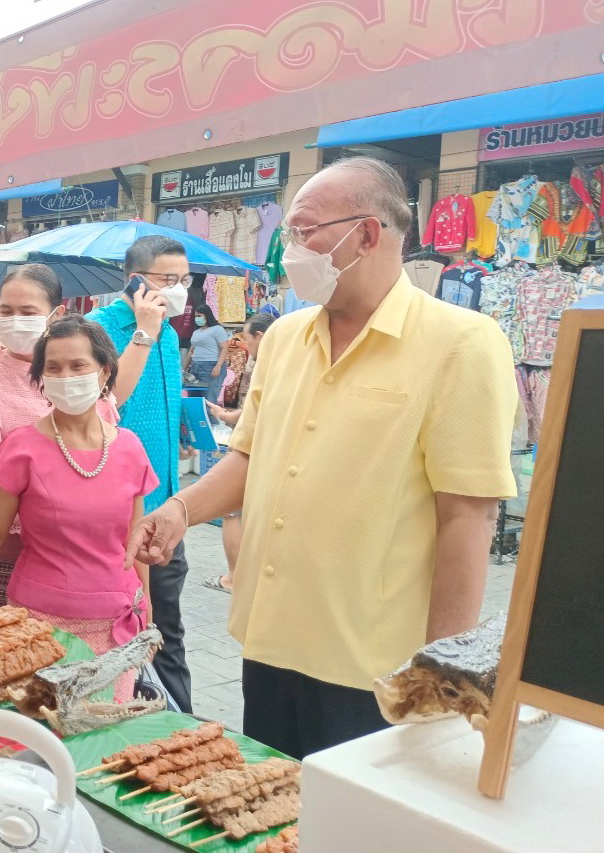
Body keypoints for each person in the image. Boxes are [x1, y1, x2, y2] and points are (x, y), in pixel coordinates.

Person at [128, 157, 518, 758]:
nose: (291, 248)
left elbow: (468, 516)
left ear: (367, 234)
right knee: (274, 817)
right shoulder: (285, 336)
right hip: (270, 642)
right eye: (287, 231)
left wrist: (445, 673)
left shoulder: (461, 343)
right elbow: (249, 457)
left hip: (375, 665)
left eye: (305, 230)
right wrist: (180, 510)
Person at [0, 316, 155, 700]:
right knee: (42, 732)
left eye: (78, 366)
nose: (66, 376)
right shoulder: (21, 447)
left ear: (104, 373)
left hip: (117, 623)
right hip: (39, 624)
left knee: (104, 737)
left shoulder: (130, 447)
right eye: (53, 368)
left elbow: (136, 544)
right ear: (42, 378)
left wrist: (148, 609)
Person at [0, 264, 118, 607]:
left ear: (55, 315)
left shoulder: (77, 383)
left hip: (61, 555)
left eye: (28, 312)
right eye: (6, 311)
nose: (15, 320)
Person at [87, 236, 195, 713]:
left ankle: (181, 720)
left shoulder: (170, 332)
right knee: (124, 624)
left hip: (166, 503)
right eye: (166, 279)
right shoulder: (98, 328)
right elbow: (108, 401)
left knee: (166, 625)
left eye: (184, 280)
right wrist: (144, 331)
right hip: (118, 508)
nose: (176, 289)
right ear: (132, 278)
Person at [202, 312, 276, 593]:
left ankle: (234, 578)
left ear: (259, 336)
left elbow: (256, 412)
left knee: (232, 513)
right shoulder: (288, 363)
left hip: (250, 446)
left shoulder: (263, 366)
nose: (244, 343)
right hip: (269, 447)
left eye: (246, 337)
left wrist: (228, 416)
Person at [184, 304, 231, 403]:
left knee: (209, 401)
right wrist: (184, 369)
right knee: (193, 401)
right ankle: (197, 419)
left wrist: (218, 366)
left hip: (210, 366)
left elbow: (225, 347)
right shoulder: (196, 332)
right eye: (196, 316)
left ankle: (211, 419)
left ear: (207, 315)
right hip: (195, 367)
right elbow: (191, 352)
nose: (197, 318)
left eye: (199, 316)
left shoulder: (217, 329)